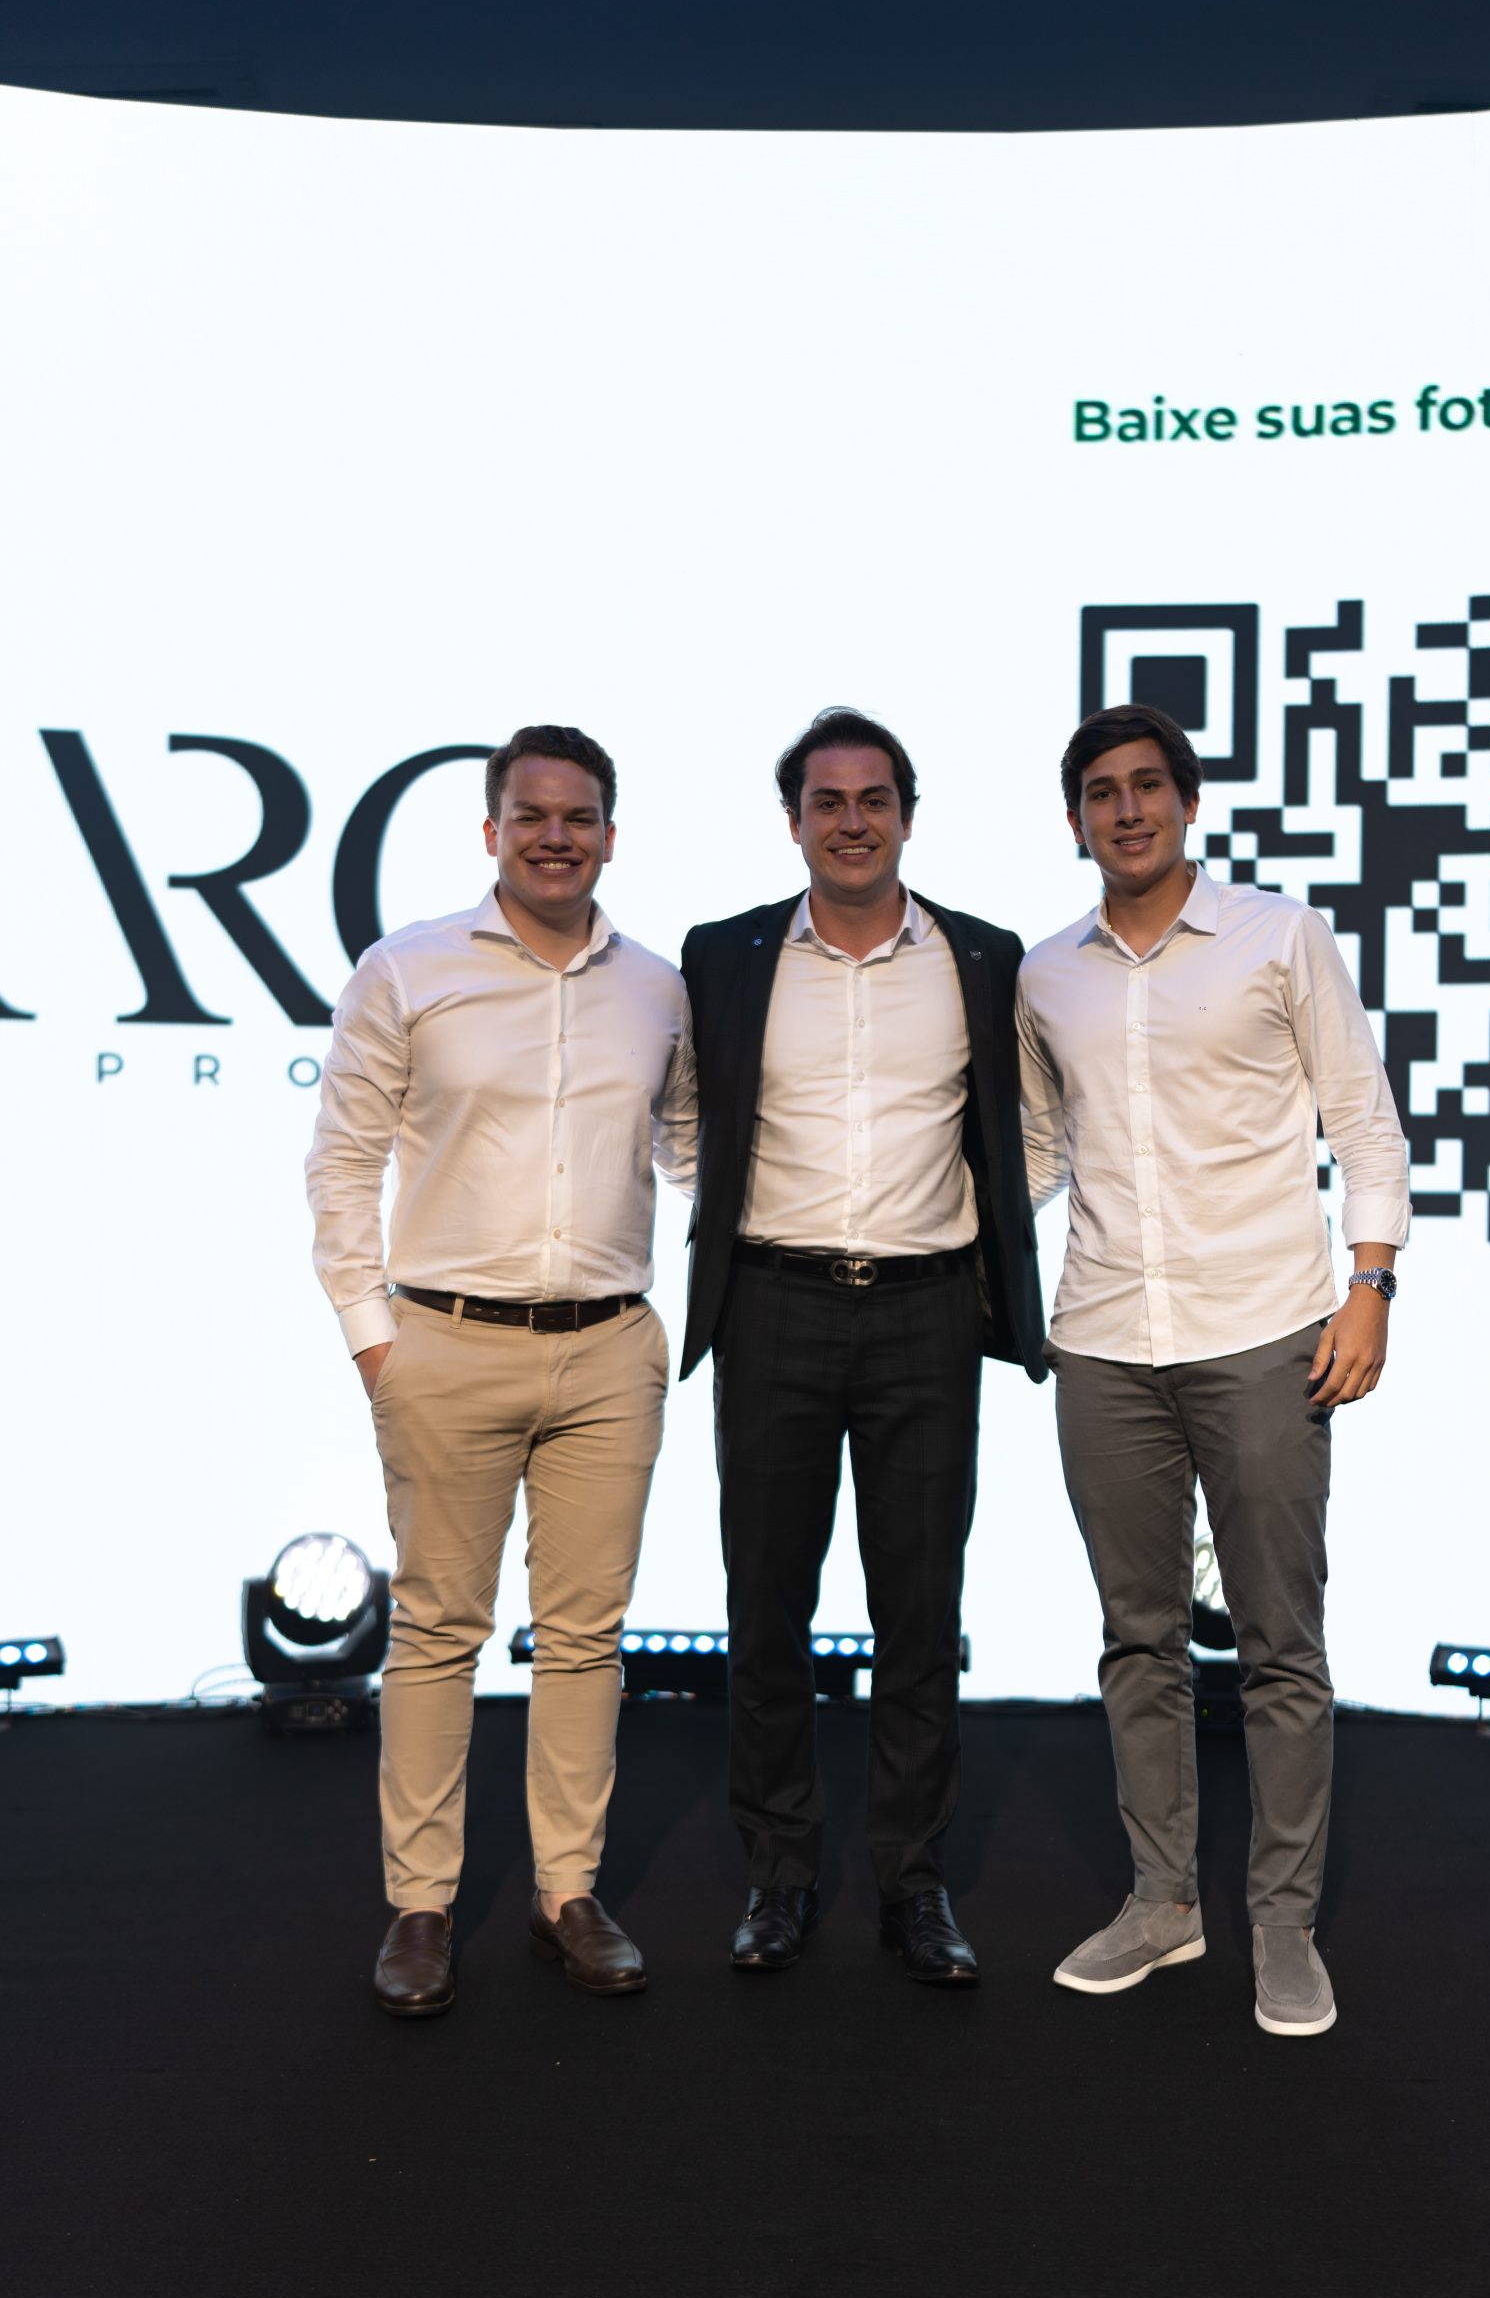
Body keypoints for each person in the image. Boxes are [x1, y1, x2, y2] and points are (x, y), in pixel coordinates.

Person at [1017, 701, 1409, 2035]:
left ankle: (1284, 1925)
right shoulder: (1044, 975)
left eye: (1146, 785)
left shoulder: (1278, 934)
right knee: (1137, 1640)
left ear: (1187, 803)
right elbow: (1035, 1154)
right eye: (1100, 791)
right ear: (1073, 819)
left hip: (1264, 1327)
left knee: (1277, 1644)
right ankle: (1162, 1902)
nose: (1124, 809)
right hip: (1103, 1340)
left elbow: (1363, 1120)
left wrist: (1369, 1287)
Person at [306, 723, 696, 2018]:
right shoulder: (407, 969)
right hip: (445, 1345)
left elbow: (696, 1147)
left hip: (609, 1351)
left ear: (610, 836)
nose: (554, 836)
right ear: (491, 831)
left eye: (578, 816)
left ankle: (565, 1892)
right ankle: (420, 1906)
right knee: (436, 1632)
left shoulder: (659, 990)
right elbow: (341, 1160)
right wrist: (375, 1340)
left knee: (586, 1639)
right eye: (531, 815)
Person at [679, 707, 1045, 1983]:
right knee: (766, 1608)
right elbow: (689, 1116)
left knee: (920, 1614)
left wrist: (989, 1228)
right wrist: (733, 1214)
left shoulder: (982, 957)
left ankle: (913, 1884)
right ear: (793, 821)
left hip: (925, 1312)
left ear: (908, 815)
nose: (852, 821)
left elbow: (1022, 1126)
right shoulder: (723, 955)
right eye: (827, 801)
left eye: (874, 798)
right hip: (771, 1304)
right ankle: (779, 1878)